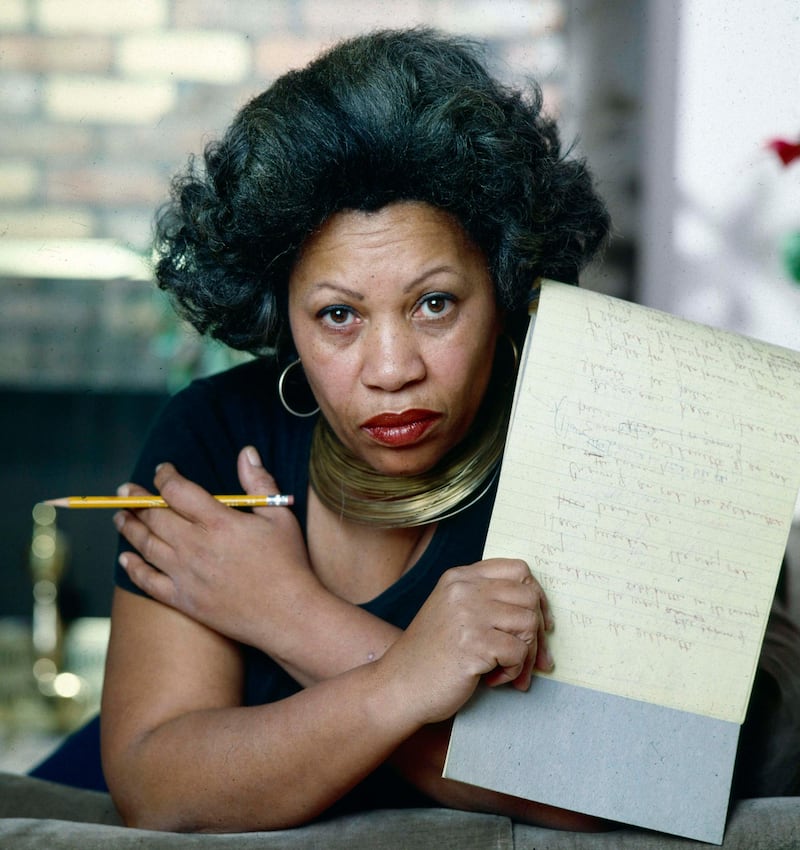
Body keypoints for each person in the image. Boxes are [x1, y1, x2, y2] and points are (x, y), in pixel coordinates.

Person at [32, 27, 799, 833]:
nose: (392, 368)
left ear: (504, 289)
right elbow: (160, 789)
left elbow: (627, 787)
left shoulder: (607, 432)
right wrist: (404, 678)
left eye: (434, 303)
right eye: (337, 315)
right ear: (282, 317)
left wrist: (291, 615)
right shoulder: (219, 432)